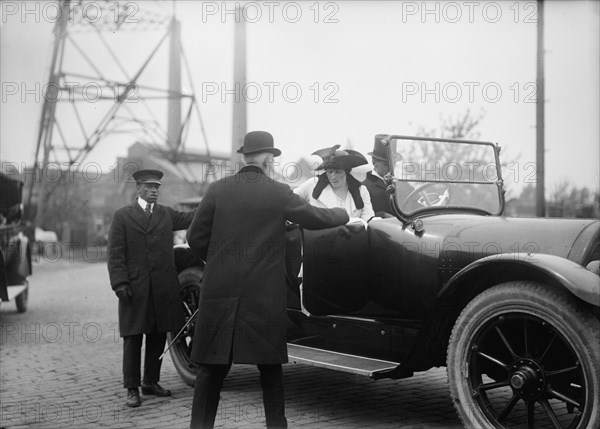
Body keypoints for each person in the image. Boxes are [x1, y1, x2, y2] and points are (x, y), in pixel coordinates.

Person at [186, 131, 349, 429]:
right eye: (272, 160)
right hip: (262, 296)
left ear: (245, 158)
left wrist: (221, 262)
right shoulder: (276, 192)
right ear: (266, 159)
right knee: (270, 371)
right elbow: (315, 218)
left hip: (218, 294)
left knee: (210, 370)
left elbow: (195, 238)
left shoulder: (217, 190)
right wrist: (343, 214)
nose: (273, 164)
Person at [107, 169, 195, 408]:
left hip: (162, 289)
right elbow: (115, 255)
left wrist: (213, 203)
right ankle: (132, 388)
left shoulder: (166, 214)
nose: (154, 190)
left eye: (157, 187)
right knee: (133, 338)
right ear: (139, 189)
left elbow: (190, 219)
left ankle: (150, 382)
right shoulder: (122, 216)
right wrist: (120, 284)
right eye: (149, 187)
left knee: (157, 335)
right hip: (135, 289)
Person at [294, 145, 375, 223]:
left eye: (338, 172)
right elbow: (290, 200)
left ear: (346, 172)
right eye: (329, 172)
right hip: (322, 236)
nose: (333, 176)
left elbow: (368, 220)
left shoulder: (361, 191)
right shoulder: (312, 184)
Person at [363, 135, 414, 216]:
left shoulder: (405, 186)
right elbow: (364, 216)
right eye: (387, 164)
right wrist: (382, 215)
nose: (391, 167)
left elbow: (419, 207)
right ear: (374, 162)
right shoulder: (365, 187)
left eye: (393, 162)